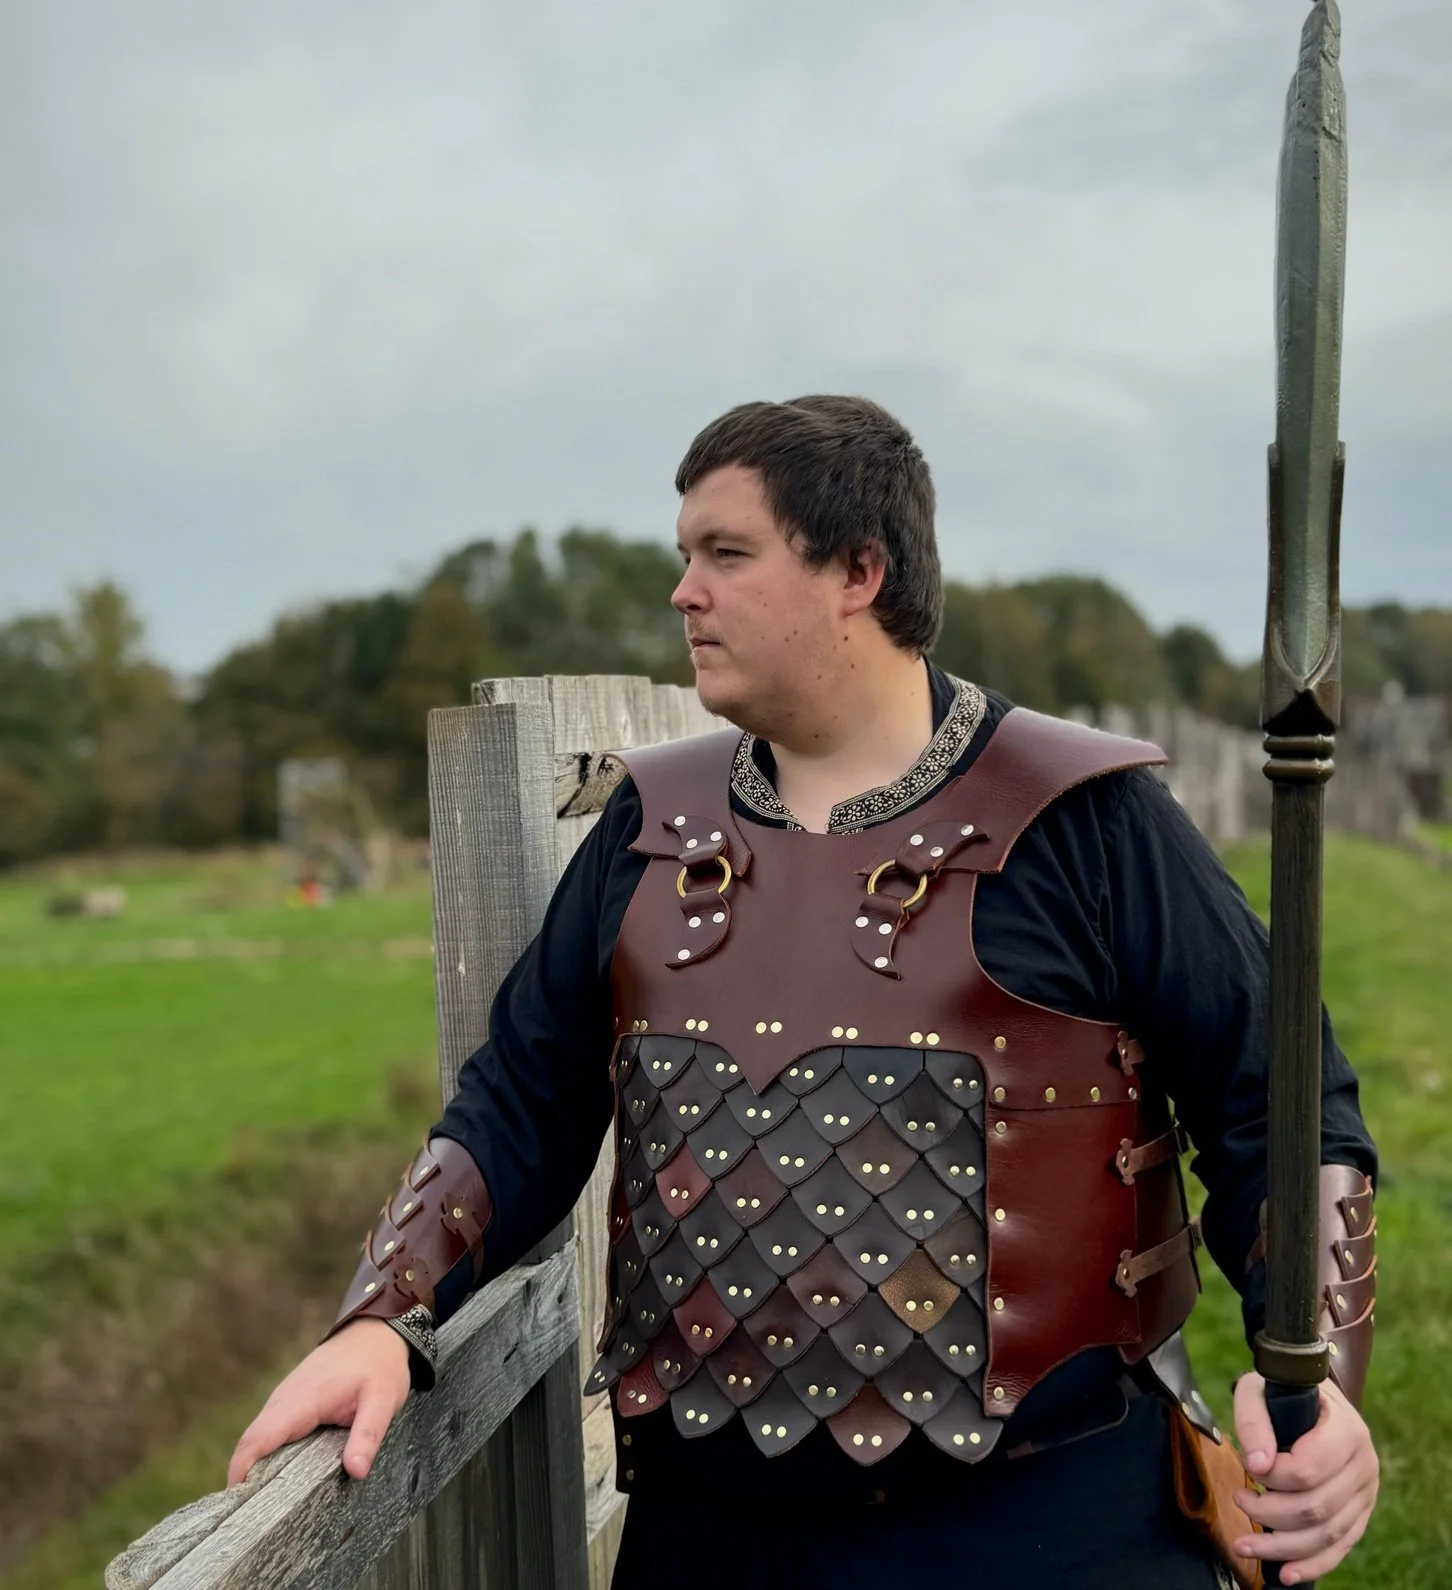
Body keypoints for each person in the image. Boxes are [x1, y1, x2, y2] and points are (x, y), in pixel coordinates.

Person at [228, 397, 1379, 1588]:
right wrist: (385, 1317)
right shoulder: (651, 825)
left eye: (726, 554)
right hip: (710, 1537)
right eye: (685, 555)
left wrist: (1324, 1391)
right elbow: (521, 1101)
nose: (684, 592)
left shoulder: (1085, 820)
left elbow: (1283, 1112)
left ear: (858, 574)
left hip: (1050, 1520)